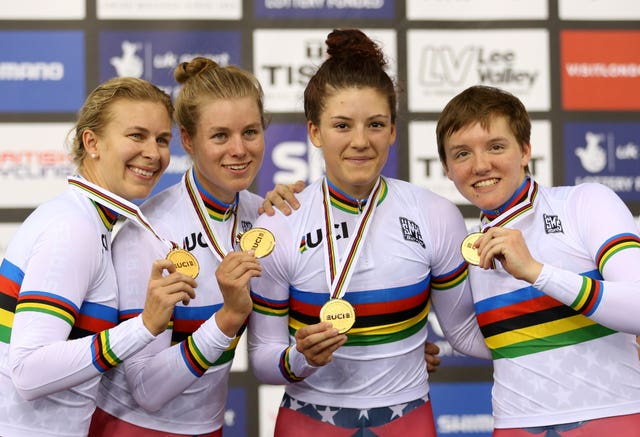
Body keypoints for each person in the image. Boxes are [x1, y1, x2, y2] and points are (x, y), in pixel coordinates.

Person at [248, 29, 490, 436]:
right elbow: (260, 359)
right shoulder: (278, 222)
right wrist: (299, 358)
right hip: (310, 421)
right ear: (314, 132)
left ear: (393, 131)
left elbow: (465, 333)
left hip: (408, 420)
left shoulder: (436, 215)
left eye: (375, 124)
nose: (360, 141)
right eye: (342, 125)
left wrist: (565, 339)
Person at [89, 57, 301, 437]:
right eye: (220, 135)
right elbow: (146, 390)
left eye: (250, 132)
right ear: (188, 139)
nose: (239, 149)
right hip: (131, 428)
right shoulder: (148, 232)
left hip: (209, 427)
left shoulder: (267, 217)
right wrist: (227, 318)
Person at [436, 84, 640, 435]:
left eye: (496, 147)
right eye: (462, 154)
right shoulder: (465, 246)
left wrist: (537, 272)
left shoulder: (584, 202)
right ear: (446, 168)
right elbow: (464, 335)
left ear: (526, 150)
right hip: (515, 424)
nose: (480, 165)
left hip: (612, 416)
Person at [0, 77, 198, 437]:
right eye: (136, 136)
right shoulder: (73, 228)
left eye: (162, 139)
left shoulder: (88, 221)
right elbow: (28, 372)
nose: (153, 153)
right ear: (91, 142)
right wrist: (144, 326)